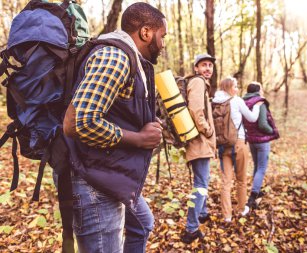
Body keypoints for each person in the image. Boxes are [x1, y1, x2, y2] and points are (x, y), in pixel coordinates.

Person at [63, 3, 167, 252]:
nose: (163, 44)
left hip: (110, 173)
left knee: (142, 223)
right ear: (146, 32)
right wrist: (139, 139)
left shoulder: (129, 58)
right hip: (93, 181)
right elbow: (78, 122)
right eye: (162, 36)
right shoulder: (115, 57)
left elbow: (116, 110)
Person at [212, 77, 262, 222]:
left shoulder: (215, 102)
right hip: (239, 143)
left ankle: (226, 215)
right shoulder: (237, 100)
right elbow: (252, 118)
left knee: (226, 182)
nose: (237, 89)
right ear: (228, 88)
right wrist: (258, 106)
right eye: (235, 86)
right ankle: (241, 209)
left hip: (222, 146)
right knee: (241, 180)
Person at [181, 54, 216, 244]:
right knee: (200, 185)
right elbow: (196, 110)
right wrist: (208, 130)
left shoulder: (201, 83)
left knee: (202, 180)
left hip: (199, 141)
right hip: (199, 140)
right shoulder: (197, 82)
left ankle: (202, 213)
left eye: (210, 65)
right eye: (204, 65)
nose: (208, 68)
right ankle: (191, 229)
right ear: (196, 68)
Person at [242, 82, 279, 209]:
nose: (262, 91)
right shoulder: (259, 103)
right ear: (258, 90)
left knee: (257, 167)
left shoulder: (244, 102)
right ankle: (253, 196)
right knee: (262, 168)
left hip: (252, 140)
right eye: (261, 88)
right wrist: (271, 131)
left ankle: (256, 194)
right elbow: (262, 124)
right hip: (262, 141)